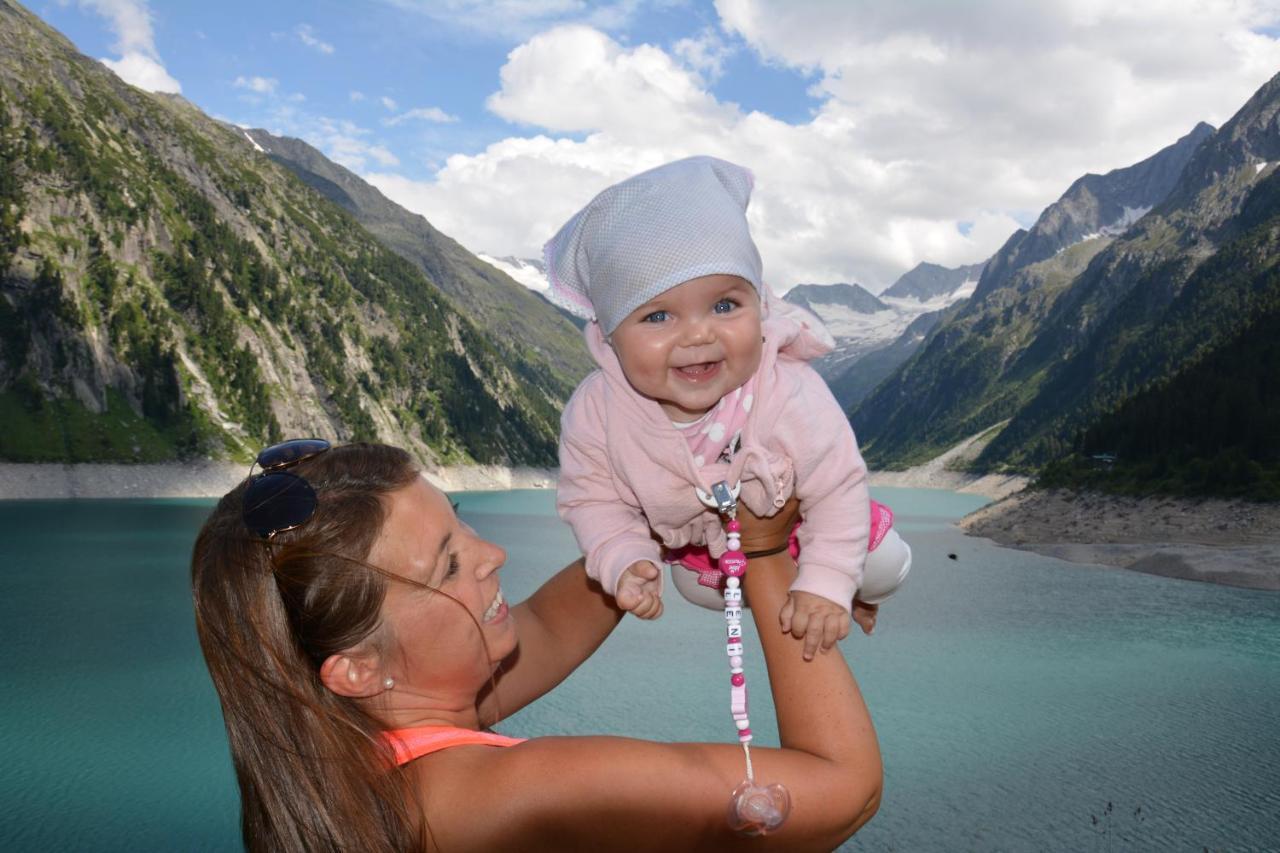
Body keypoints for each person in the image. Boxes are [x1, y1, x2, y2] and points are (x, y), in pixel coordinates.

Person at [192, 440, 882, 851]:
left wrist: (664, 524)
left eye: (461, 527)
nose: (492, 554)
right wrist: (764, 550)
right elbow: (843, 787)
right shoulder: (521, 795)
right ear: (357, 668)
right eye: (449, 566)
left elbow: (546, 629)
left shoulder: (353, 748)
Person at [545, 155, 910, 659]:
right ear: (608, 336)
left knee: (883, 563)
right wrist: (624, 557)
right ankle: (820, 589)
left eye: (724, 306)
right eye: (656, 316)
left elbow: (837, 484)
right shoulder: (597, 411)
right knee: (696, 590)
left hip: (820, 525)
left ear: (760, 307)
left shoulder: (786, 387)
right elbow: (592, 499)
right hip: (710, 554)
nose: (698, 334)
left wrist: (828, 584)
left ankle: (856, 593)